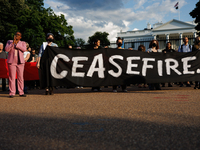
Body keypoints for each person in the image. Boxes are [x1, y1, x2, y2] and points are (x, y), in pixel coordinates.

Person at [5, 31, 27, 98]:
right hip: (12, 62)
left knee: (20, 77)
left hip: (20, 62)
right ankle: (12, 93)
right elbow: (6, 49)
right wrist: (13, 43)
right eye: (16, 34)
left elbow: (24, 49)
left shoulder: (23, 43)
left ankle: (21, 92)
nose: (17, 36)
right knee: (12, 77)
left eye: (18, 35)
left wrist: (17, 45)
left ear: (20, 37)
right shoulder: (9, 41)